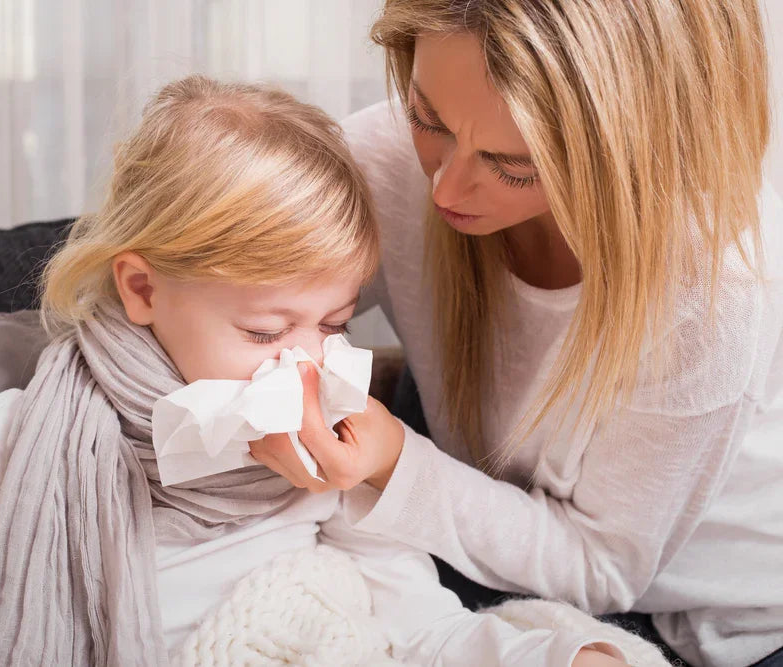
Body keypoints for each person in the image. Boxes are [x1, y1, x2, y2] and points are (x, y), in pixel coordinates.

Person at [0, 75, 645, 666]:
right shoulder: (19, 442)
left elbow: (421, 630)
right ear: (141, 289)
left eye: (336, 322)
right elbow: (2, 633)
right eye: (263, 330)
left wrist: (556, 656)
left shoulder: (329, 444)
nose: (305, 359)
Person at [249, 3, 783, 666]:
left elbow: (602, 567)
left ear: (630, 145)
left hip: (722, 622)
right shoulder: (383, 161)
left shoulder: (717, 289)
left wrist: (392, 463)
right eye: (427, 119)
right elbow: (207, 286)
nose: (445, 185)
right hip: (497, 516)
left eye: (513, 164)